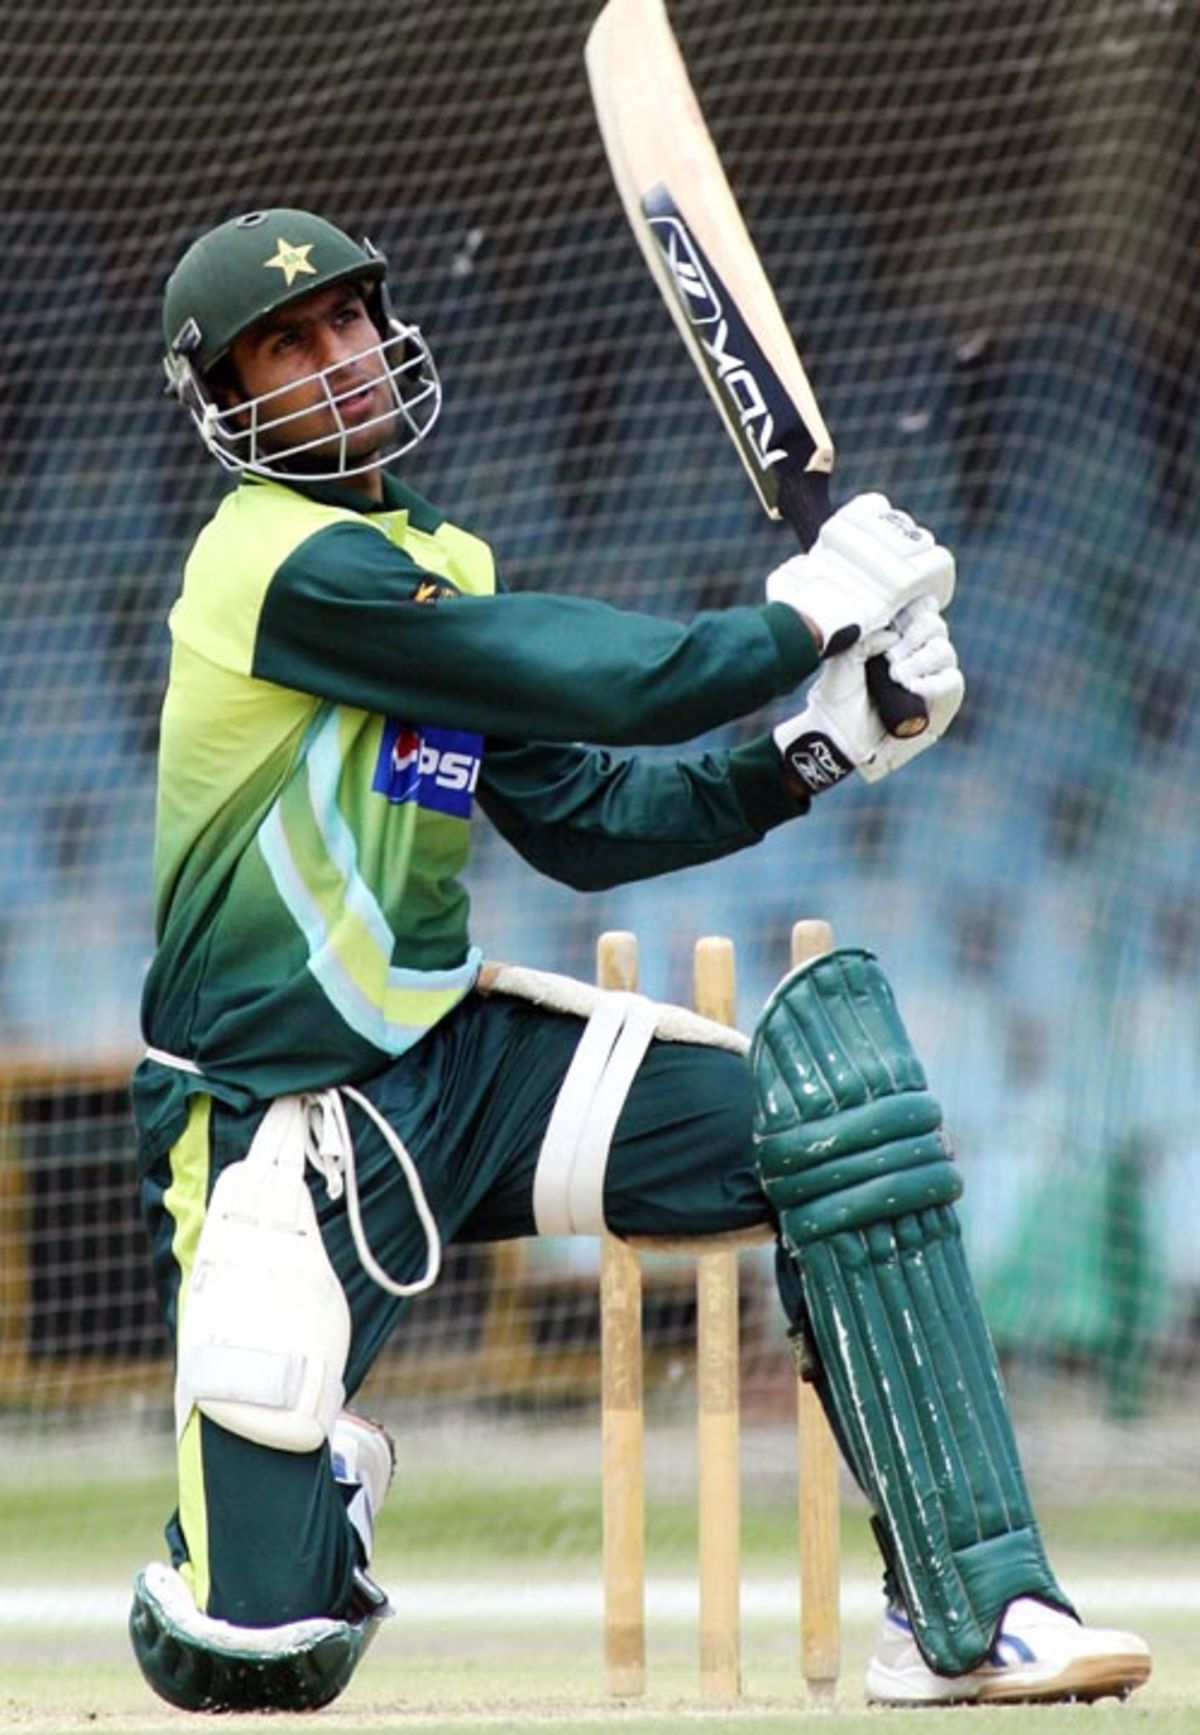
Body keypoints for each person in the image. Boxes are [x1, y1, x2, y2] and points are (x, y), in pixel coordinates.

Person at [129, 207, 1150, 1712]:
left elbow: (586, 821)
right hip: (278, 1119)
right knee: (251, 1661)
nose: (337, 360)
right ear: (225, 406)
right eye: (287, 346)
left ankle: (979, 1611)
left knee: (828, 1126)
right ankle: (285, 1507)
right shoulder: (270, 569)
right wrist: (800, 614)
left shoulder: (437, 563)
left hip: (458, 1061)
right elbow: (618, 684)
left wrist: (811, 751)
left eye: (348, 320)